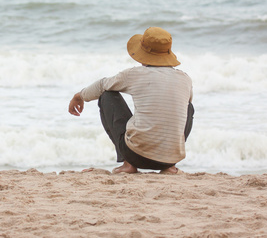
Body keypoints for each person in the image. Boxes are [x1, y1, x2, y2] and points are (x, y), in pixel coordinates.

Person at [68, 27, 194, 174]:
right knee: (188, 107)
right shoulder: (185, 79)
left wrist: (79, 96)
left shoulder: (134, 74)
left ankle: (128, 164)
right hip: (170, 158)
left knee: (107, 95)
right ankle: (169, 167)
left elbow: (102, 85)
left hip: (136, 155)